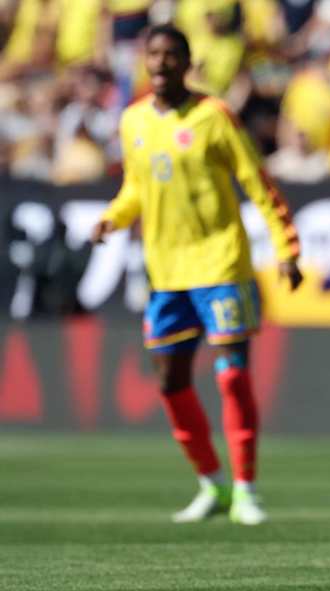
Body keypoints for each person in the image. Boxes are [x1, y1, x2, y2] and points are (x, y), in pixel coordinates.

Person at [90, 25, 303, 526]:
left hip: (220, 263)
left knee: (232, 375)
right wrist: (113, 218)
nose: (161, 63)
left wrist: (286, 248)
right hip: (166, 272)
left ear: (187, 64)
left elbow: (257, 181)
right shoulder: (133, 119)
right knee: (170, 380)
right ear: (144, 61)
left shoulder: (214, 116)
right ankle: (213, 483)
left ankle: (246, 489)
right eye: (153, 54)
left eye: (171, 55)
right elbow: (136, 188)